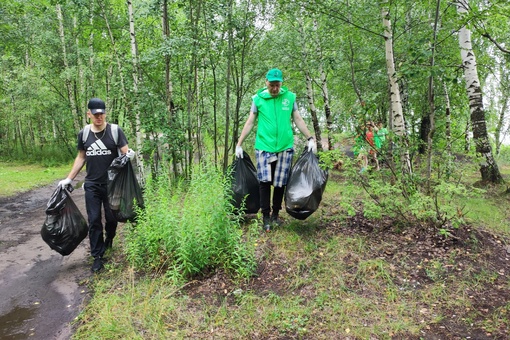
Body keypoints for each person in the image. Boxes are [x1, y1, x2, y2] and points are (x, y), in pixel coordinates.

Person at [58, 98, 135, 272]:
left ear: (105, 113)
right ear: (89, 114)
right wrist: (69, 178)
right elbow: (81, 157)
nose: (99, 117)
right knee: (93, 220)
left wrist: (130, 155)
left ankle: (110, 238)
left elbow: (125, 152)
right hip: (92, 184)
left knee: (111, 218)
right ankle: (97, 256)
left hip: (112, 184)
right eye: (95, 114)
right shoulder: (84, 134)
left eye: (102, 113)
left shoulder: (115, 131)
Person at [235, 68, 316, 232]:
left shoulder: (289, 97)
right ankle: (265, 216)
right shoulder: (258, 99)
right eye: (272, 85)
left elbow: (298, 119)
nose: (274, 89)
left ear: (281, 84)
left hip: (284, 147)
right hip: (264, 147)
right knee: (264, 182)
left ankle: (275, 215)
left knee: (280, 183)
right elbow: (250, 122)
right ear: (266, 82)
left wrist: (310, 138)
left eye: (277, 85)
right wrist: (239, 143)